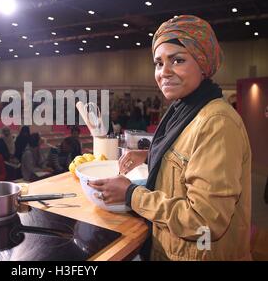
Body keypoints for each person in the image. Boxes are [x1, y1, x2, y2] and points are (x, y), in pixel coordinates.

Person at [89, 15, 252, 261]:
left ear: (203, 64)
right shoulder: (185, 109)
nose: (164, 72)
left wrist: (132, 195)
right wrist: (151, 154)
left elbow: (205, 222)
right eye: (158, 63)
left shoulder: (217, 122)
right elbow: (190, 159)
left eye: (177, 60)